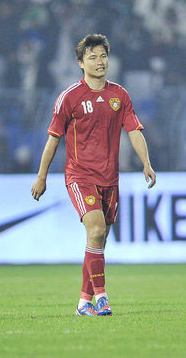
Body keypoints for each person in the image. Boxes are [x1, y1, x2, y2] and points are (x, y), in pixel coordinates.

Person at [31, 34, 156, 316]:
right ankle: (102, 298)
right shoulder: (69, 98)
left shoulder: (119, 95)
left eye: (103, 56)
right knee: (96, 230)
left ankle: (83, 302)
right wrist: (41, 176)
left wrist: (146, 163)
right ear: (80, 63)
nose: (100, 62)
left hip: (110, 178)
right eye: (93, 57)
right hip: (80, 176)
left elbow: (134, 130)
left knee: (98, 240)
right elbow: (53, 139)